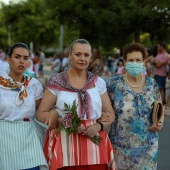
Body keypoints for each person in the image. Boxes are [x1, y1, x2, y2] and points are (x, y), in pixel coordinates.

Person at [37, 39, 116, 170]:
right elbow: (41, 114)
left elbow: (110, 113)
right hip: (65, 144)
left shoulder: (98, 82)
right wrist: (65, 122)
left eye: (86, 55)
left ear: (91, 57)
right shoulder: (57, 81)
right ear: (69, 56)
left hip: (94, 142)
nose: (82, 59)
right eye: (78, 54)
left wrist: (99, 126)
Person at [107, 43, 164, 169]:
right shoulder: (113, 85)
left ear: (144, 61)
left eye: (138, 60)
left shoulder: (152, 84)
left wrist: (159, 122)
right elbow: (104, 111)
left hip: (148, 148)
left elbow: (159, 108)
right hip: (120, 149)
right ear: (124, 61)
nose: (135, 63)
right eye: (131, 60)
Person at [0, 42, 48, 170]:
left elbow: (43, 111)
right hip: (4, 139)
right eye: (17, 57)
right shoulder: (0, 84)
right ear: (9, 60)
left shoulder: (33, 85)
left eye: (25, 58)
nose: (22, 61)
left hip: (29, 138)